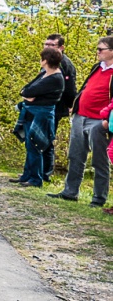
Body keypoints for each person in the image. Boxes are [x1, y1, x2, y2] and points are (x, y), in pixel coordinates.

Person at [49, 36, 113, 207]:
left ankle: (99, 198)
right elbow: (86, 87)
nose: (98, 52)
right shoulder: (97, 68)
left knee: (99, 160)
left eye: (101, 49)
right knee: (76, 155)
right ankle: (70, 191)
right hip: (81, 116)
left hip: (99, 121)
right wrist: (76, 104)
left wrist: (107, 121)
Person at [13, 47, 65, 188]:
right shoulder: (45, 74)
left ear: (45, 61)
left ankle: (36, 179)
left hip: (41, 115)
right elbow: (25, 90)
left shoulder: (55, 78)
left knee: (36, 145)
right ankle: (27, 175)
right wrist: (28, 96)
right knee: (29, 145)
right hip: (32, 112)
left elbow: (29, 92)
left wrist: (29, 96)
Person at [42, 33, 77, 181]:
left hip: (56, 106)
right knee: (39, 138)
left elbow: (70, 88)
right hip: (45, 105)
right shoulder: (49, 60)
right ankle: (37, 170)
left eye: (52, 45)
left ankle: (45, 173)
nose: (48, 48)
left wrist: (70, 105)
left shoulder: (64, 63)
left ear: (61, 47)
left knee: (47, 139)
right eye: (46, 44)